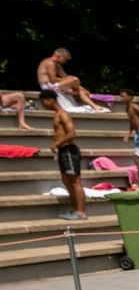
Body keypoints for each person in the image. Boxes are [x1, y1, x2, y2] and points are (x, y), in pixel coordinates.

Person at [46, 91, 85, 221]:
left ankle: (80, 212)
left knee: (75, 181)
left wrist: (56, 144)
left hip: (69, 150)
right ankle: (74, 210)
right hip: (63, 151)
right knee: (67, 181)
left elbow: (72, 133)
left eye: (43, 101)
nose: (43, 105)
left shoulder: (63, 114)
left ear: (50, 100)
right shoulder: (57, 115)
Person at [36, 48, 103, 110]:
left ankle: (94, 106)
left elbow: (66, 77)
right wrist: (70, 79)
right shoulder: (50, 63)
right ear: (60, 56)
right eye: (65, 59)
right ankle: (79, 90)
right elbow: (53, 80)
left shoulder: (57, 65)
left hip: (55, 86)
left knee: (79, 89)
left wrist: (82, 88)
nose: (65, 61)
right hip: (48, 87)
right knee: (75, 79)